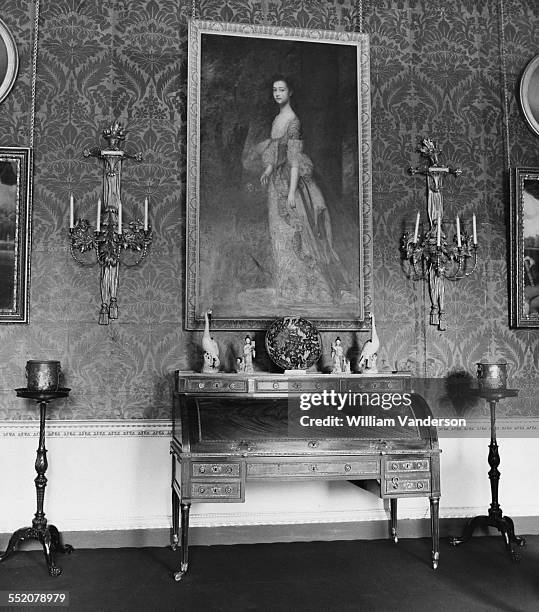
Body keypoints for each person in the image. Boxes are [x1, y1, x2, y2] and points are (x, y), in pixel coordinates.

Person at [258, 75, 351, 304]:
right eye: (274, 90)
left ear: (291, 93)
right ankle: (288, 288)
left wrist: (291, 192)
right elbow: (274, 150)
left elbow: (294, 160)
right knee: (279, 235)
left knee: (295, 235)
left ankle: (308, 289)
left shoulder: (293, 120)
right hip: (276, 182)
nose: (278, 93)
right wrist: (268, 170)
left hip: (290, 183)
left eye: (282, 90)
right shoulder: (277, 118)